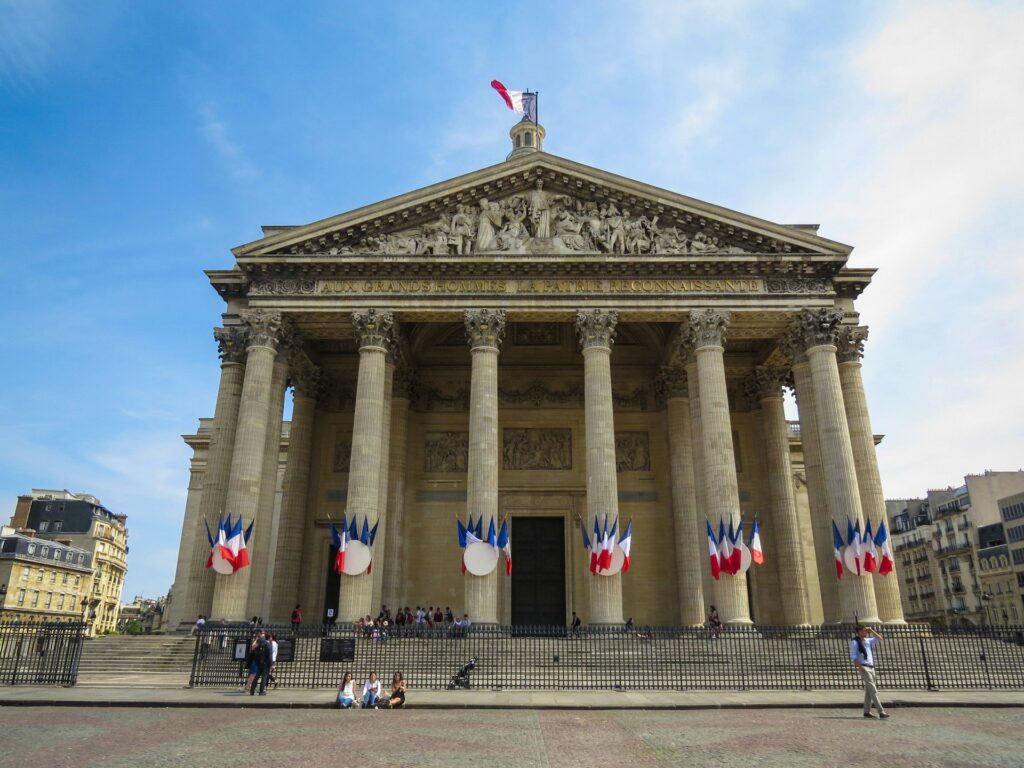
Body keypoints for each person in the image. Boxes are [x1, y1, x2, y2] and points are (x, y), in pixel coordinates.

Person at [851, 625, 890, 719]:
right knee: (873, 690)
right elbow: (854, 657)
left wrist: (872, 630)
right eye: (864, 630)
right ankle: (881, 712)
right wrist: (861, 667)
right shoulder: (855, 642)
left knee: (869, 691)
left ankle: (866, 712)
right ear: (859, 631)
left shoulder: (868, 640)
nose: (866, 632)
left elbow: (880, 638)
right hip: (864, 668)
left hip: (871, 667)